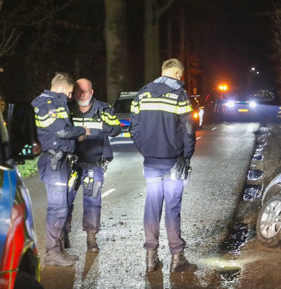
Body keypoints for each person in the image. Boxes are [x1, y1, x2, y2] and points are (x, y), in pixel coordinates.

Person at [131, 58, 197, 273]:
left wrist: (146, 149)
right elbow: (187, 128)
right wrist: (186, 156)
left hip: (150, 160)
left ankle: (151, 258)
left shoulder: (142, 93)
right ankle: (177, 258)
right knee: (172, 208)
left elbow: (134, 128)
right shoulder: (179, 94)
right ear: (177, 73)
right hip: (173, 160)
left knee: (151, 207)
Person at [32, 72, 90, 267]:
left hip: (61, 161)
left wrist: (75, 137)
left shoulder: (57, 103)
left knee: (63, 206)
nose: (71, 96)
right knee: (58, 208)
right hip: (53, 162)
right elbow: (62, 131)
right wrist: (81, 131)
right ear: (63, 88)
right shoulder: (46, 104)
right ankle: (53, 253)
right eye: (71, 92)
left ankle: (59, 250)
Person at [68, 78, 121, 252]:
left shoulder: (103, 109)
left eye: (86, 91)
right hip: (70, 164)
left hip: (94, 164)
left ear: (92, 92)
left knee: (93, 202)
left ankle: (91, 238)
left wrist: (102, 125)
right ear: (74, 93)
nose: (82, 95)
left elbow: (116, 128)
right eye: (79, 92)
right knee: (64, 201)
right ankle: (63, 234)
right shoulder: (67, 109)